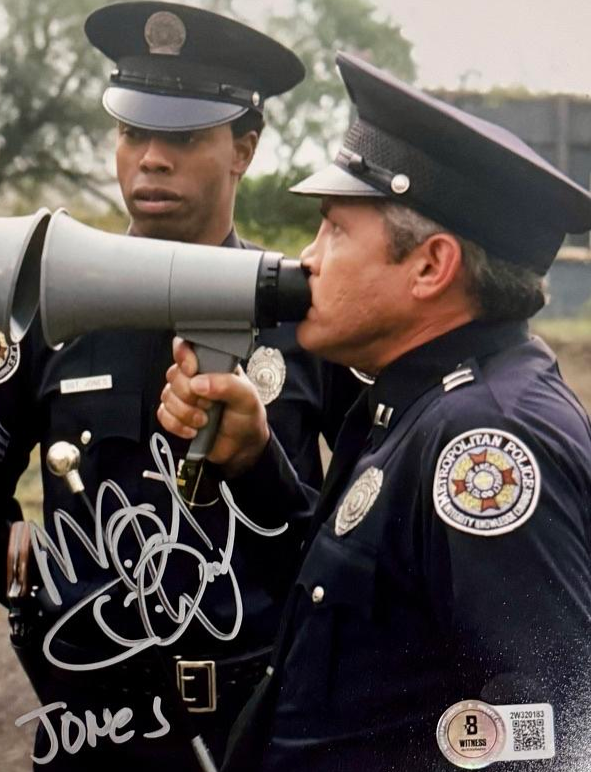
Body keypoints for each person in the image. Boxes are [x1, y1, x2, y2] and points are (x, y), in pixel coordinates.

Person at [0, 3, 360, 768]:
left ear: (245, 149)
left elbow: (369, 517)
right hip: (99, 731)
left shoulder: (310, 316)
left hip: (267, 722)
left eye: (186, 138)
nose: (151, 159)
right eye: (134, 133)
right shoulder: (48, 307)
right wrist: (49, 622)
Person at [159, 52, 591, 770]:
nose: (308, 257)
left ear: (431, 266)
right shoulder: (413, 402)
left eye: (334, 228)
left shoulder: (484, 439)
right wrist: (257, 464)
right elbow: (355, 608)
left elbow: (551, 737)